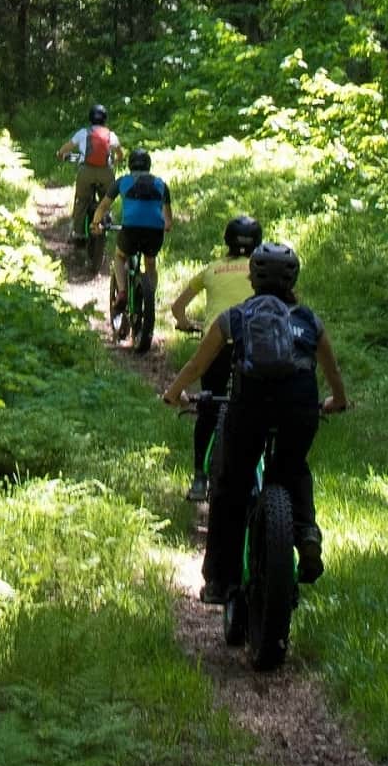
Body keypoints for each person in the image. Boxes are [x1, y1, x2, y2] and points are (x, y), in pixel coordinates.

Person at [163, 242, 348, 599]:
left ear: (252, 278)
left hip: (249, 408)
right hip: (300, 408)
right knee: (293, 468)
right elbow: (332, 369)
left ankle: (219, 581)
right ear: (294, 278)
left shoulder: (234, 317)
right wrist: (337, 401)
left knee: (231, 485)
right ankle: (306, 531)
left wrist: (173, 393)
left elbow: (197, 365)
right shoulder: (309, 320)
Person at [167, 215, 264, 501]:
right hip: (255, 345)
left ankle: (199, 478)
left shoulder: (212, 270)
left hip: (217, 343)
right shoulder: (263, 271)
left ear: (227, 241)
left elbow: (177, 307)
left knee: (209, 405)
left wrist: (185, 323)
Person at [104, 149, 174, 344]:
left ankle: (123, 291)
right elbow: (169, 220)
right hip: (154, 233)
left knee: (119, 256)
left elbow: (104, 206)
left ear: (130, 165)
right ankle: (149, 294)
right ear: (149, 166)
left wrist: (95, 223)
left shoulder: (123, 182)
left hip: (131, 230)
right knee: (150, 261)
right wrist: (165, 226)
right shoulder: (161, 184)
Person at [57, 105, 120, 252]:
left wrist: (60, 155)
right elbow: (120, 154)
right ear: (105, 119)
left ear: (90, 118)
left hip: (86, 172)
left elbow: (66, 148)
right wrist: (116, 161)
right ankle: (106, 220)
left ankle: (78, 234)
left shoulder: (83, 133)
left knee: (82, 201)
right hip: (106, 173)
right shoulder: (111, 135)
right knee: (106, 199)